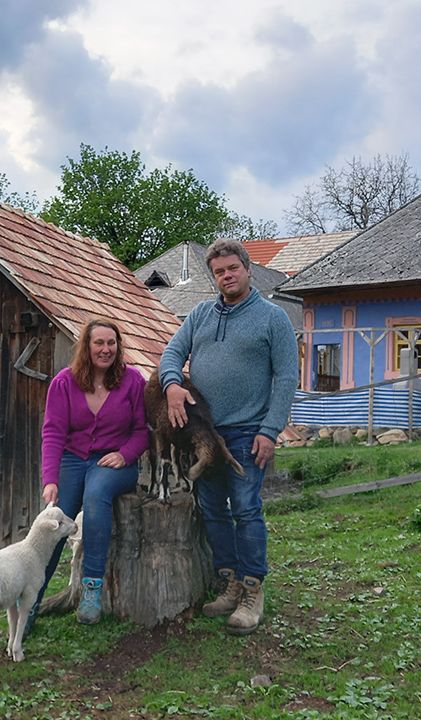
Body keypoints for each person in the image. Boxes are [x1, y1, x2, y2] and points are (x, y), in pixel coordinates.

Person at [158, 239, 298, 635]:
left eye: (233, 268)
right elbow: (171, 354)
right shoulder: (200, 314)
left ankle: (253, 590)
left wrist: (270, 430)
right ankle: (230, 582)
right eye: (219, 272)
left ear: (248, 269)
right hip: (202, 434)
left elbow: (287, 378)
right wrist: (170, 384)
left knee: (246, 508)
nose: (227, 276)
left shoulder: (273, 319)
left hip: (248, 432)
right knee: (213, 509)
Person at [34, 317, 149, 625]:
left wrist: (125, 455)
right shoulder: (64, 382)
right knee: (56, 520)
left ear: (118, 346)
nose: (106, 349)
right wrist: (50, 481)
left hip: (115, 463)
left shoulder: (133, 381)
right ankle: (31, 600)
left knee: (97, 495)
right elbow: (53, 433)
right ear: (86, 346)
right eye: (99, 342)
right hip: (72, 460)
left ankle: (92, 587)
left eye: (111, 343)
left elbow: (142, 431)